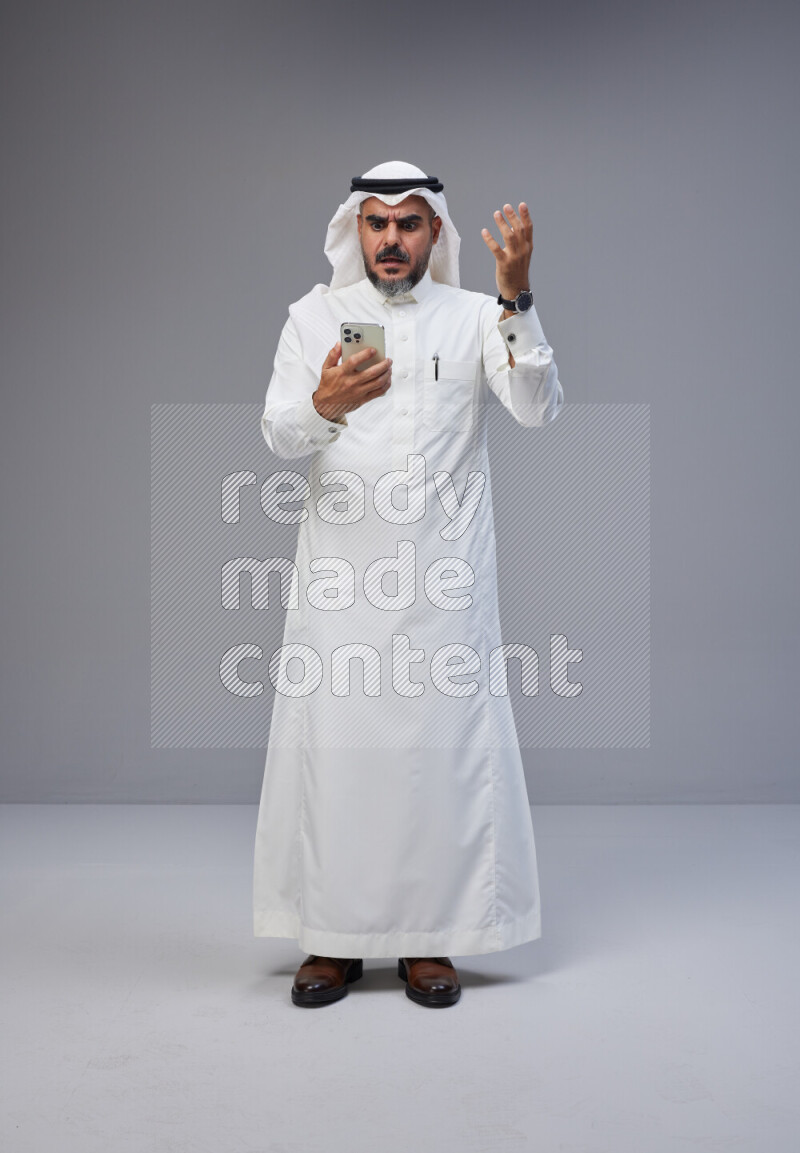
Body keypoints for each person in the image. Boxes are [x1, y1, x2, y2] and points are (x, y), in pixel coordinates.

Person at [253, 160, 564, 1008]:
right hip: (342, 587)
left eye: (410, 222)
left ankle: (431, 940)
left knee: (440, 763)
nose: (392, 238)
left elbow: (538, 406)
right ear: (356, 229)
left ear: (435, 233)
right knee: (340, 760)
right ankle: (332, 941)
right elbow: (281, 436)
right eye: (378, 222)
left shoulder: (474, 315)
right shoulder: (313, 315)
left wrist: (518, 297)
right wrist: (322, 403)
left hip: (443, 588)